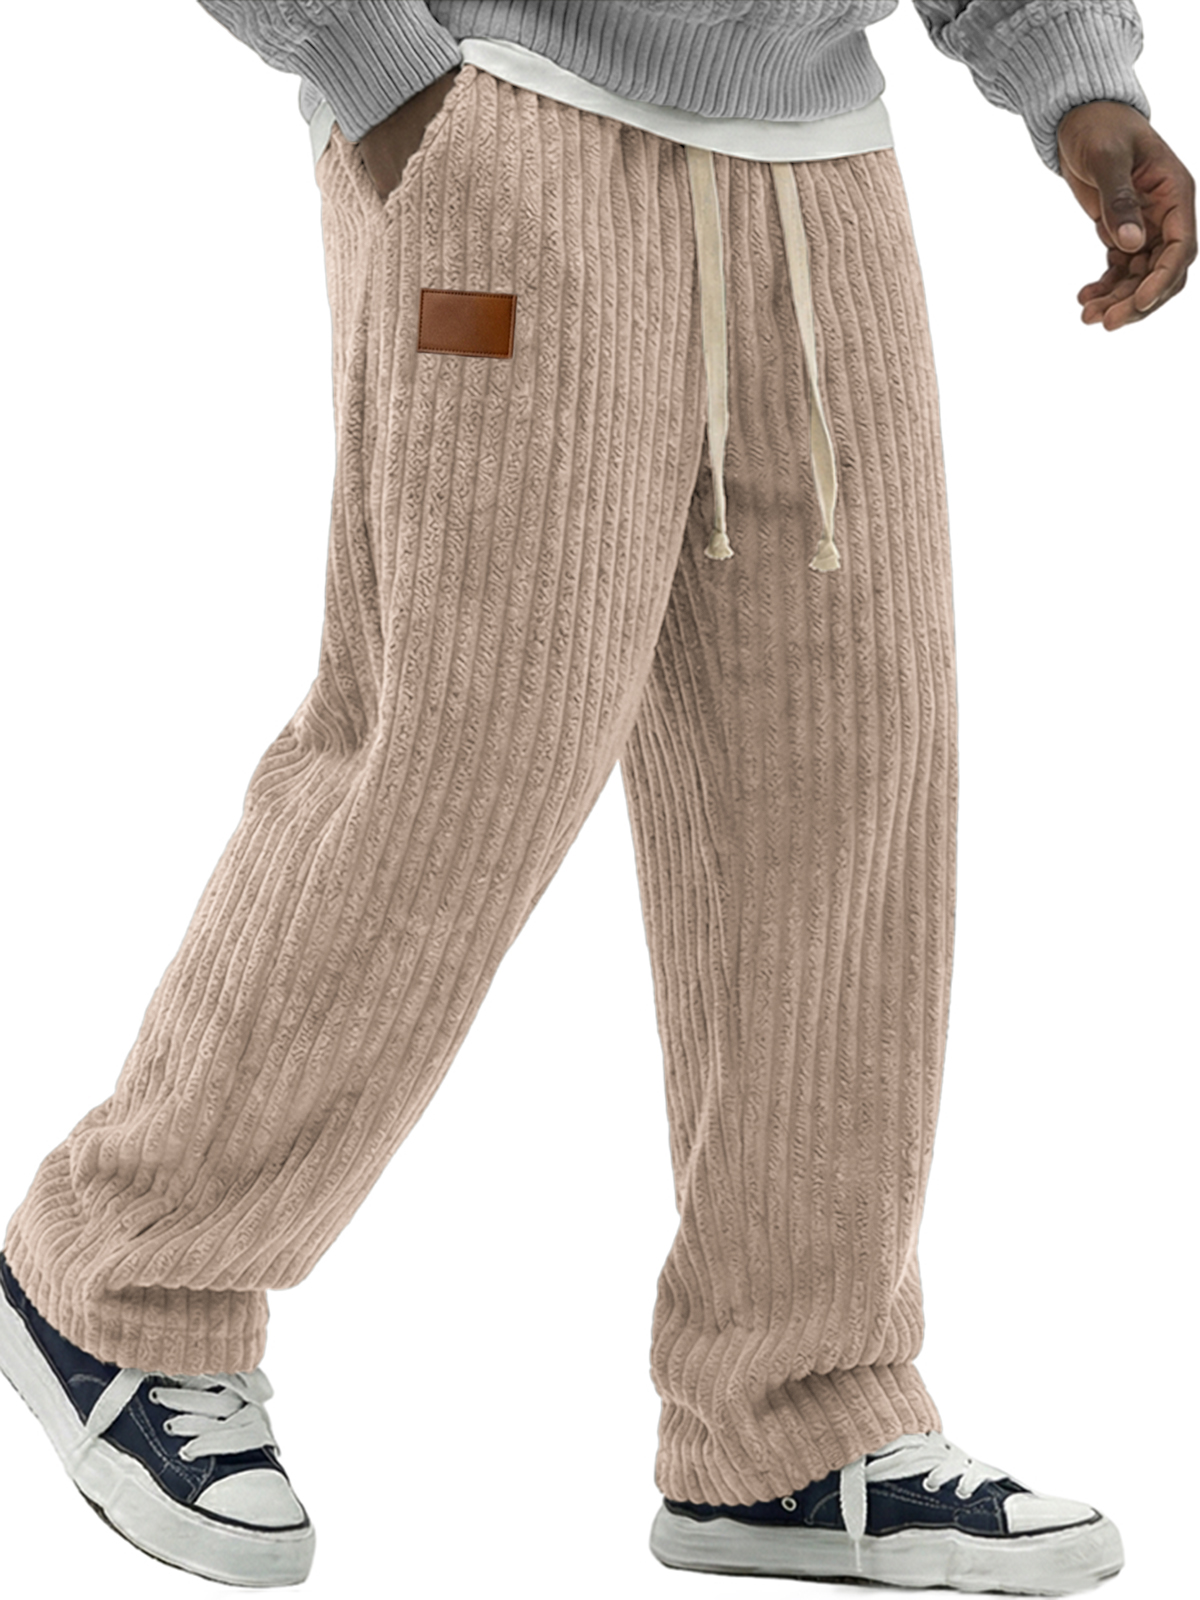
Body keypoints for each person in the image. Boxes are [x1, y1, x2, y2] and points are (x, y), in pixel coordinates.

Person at [0, 1, 1193, 1591]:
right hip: (507, 119)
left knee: (844, 783)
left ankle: (790, 1418)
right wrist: (381, 71)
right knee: (464, 756)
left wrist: (1071, 75)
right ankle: (120, 1279)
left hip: (820, 166)